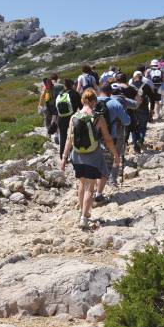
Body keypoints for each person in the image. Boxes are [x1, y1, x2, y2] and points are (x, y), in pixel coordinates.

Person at [60, 88, 120, 229]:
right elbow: (108, 139)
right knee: (90, 187)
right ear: (94, 101)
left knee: (82, 184)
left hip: (77, 156)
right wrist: (115, 154)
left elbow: (69, 138)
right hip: (93, 156)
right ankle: (83, 218)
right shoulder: (98, 117)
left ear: (82, 101)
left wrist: (64, 157)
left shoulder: (74, 117)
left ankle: (83, 212)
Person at [94, 83, 131, 200]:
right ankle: (98, 194)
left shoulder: (91, 103)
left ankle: (93, 189)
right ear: (110, 92)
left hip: (92, 139)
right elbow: (127, 121)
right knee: (106, 167)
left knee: (94, 165)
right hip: (110, 139)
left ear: (99, 91)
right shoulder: (115, 103)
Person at [128, 71, 156, 153]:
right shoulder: (146, 85)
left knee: (133, 127)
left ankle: (136, 146)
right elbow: (152, 98)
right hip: (143, 108)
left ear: (134, 77)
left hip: (132, 109)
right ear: (142, 77)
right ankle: (140, 141)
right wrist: (152, 109)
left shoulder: (130, 86)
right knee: (142, 127)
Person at [55, 78, 82, 159]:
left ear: (65, 86)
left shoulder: (61, 94)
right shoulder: (75, 94)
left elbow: (57, 108)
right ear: (73, 85)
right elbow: (81, 107)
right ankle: (75, 156)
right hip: (72, 118)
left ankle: (62, 156)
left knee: (63, 137)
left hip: (61, 118)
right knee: (74, 136)